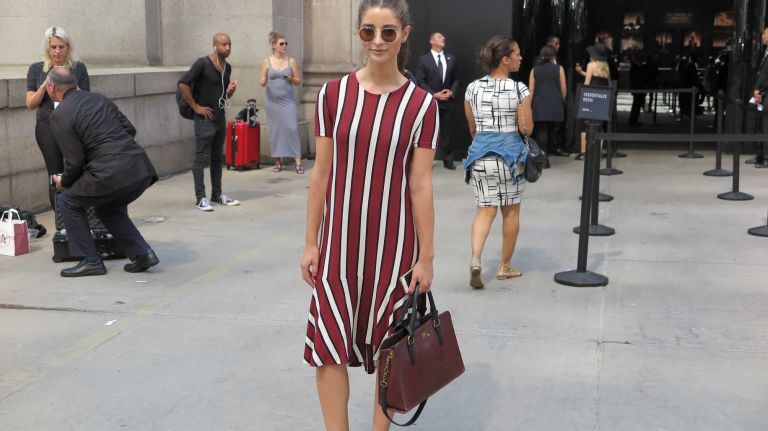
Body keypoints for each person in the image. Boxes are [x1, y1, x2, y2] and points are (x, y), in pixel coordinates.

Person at [300, 1, 438, 429]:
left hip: (394, 250)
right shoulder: (332, 96)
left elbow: (420, 185)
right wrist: (310, 241)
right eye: (368, 31)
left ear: (405, 34)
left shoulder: (421, 106)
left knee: (392, 351)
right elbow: (321, 174)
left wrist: (426, 257)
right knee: (329, 345)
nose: (377, 41)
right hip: (339, 247)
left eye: (388, 32)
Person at [47, 67, 159, 277]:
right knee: (107, 208)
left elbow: (75, 160)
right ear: (75, 84)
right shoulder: (99, 99)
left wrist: (64, 181)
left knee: (67, 200)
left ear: (51, 87)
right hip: (139, 168)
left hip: (110, 173)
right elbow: (130, 129)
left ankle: (90, 261)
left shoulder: (59, 114)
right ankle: (143, 254)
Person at [463, 35, 532, 289]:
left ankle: (476, 259)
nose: (520, 57)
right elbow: (527, 128)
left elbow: (472, 127)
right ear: (505, 60)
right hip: (511, 159)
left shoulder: (472, 88)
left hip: (480, 156)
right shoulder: (519, 89)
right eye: (517, 54)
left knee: (484, 211)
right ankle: (504, 266)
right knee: (511, 211)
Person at [26, 26, 90, 211]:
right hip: (47, 125)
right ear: (47, 48)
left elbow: (87, 101)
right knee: (55, 173)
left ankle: (80, 215)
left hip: (74, 126)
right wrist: (45, 85)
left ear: (68, 47)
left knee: (78, 169)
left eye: (61, 47)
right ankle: (61, 220)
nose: (57, 51)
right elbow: (30, 103)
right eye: (53, 47)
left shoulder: (78, 67)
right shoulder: (37, 69)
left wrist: (68, 81)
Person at [178, 33, 240, 211]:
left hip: (219, 118)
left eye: (229, 44)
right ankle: (200, 198)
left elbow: (223, 96)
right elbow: (183, 84)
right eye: (223, 44)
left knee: (216, 158)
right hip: (204, 120)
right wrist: (196, 107)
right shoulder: (202, 63)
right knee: (200, 159)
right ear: (215, 46)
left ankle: (217, 194)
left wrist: (230, 91)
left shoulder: (227, 67)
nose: (227, 48)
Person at [260, 31, 304, 174]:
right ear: (274, 45)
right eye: (281, 44)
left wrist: (290, 79)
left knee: (292, 128)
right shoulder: (266, 61)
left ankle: (298, 162)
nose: (284, 46)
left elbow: (298, 81)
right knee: (275, 130)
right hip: (271, 101)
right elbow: (262, 80)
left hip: (287, 101)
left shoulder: (291, 61)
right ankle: (278, 162)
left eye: (286, 43)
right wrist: (263, 81)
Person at [416, 31, 460, 169]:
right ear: (432, 40)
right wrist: (433, 94)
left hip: (448, 101)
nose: (443, 38)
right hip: (431, 102)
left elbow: (457, 78)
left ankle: (448, 160)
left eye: (443, 37)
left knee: (448, 132)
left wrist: (451, 91)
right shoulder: (424, 60)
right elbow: (420, 80)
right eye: (440, 37)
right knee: (429, 132)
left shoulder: (451, 58)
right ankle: (427, 160)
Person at [529, 45, 567, 162]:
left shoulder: (534, 70)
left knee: (541, 131)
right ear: (553, 56)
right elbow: (563, 88)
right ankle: (548, 151)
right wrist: (562, 100)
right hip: (555, 105)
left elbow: (531, 90)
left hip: (539, 105)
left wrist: (529, 106)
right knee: (553, 130)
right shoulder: (559, 69)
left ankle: (544, 159)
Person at [574, 43, 611, 160]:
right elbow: (599, 77)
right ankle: (598, 153)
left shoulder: (591, 65)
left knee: (585, 124)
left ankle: (584, 153)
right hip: (602, 97)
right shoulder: (605, 66)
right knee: (599, 125)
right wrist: (581, 72)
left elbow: (587, 82)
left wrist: (582, 97)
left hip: (591, 96)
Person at [752, 26, 768, 167]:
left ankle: (766, 157)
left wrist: (760, 91)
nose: (762, 36)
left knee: (766, 126)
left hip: (766, 95)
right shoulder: (765, 52)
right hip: (762, 95)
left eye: (765, 34)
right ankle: (760, 155)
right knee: (760, 125)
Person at [628, 51, 646, 127]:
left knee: (637, 105)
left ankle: (634, 120)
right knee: (636, 105)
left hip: (640, 89)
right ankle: (633, 120)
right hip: (637, 89)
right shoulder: (634, 67)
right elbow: (634, 79)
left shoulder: (639, 66)